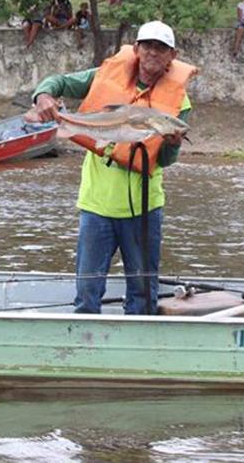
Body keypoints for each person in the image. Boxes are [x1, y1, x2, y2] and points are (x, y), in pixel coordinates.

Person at [27, 20, 195, 315]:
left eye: (161, 48)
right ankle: (85, 346)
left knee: (143, 293)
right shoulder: (105, 75)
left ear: (172, 56)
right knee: (87, 291)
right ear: (137, 49)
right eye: (148, 46)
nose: (153, 53)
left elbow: (165, 161)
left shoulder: (178, 101)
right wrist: (43, 96)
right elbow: (59, 82)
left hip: (145, 210)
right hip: (97, 205)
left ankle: (137, 345)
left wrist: (172, 143)